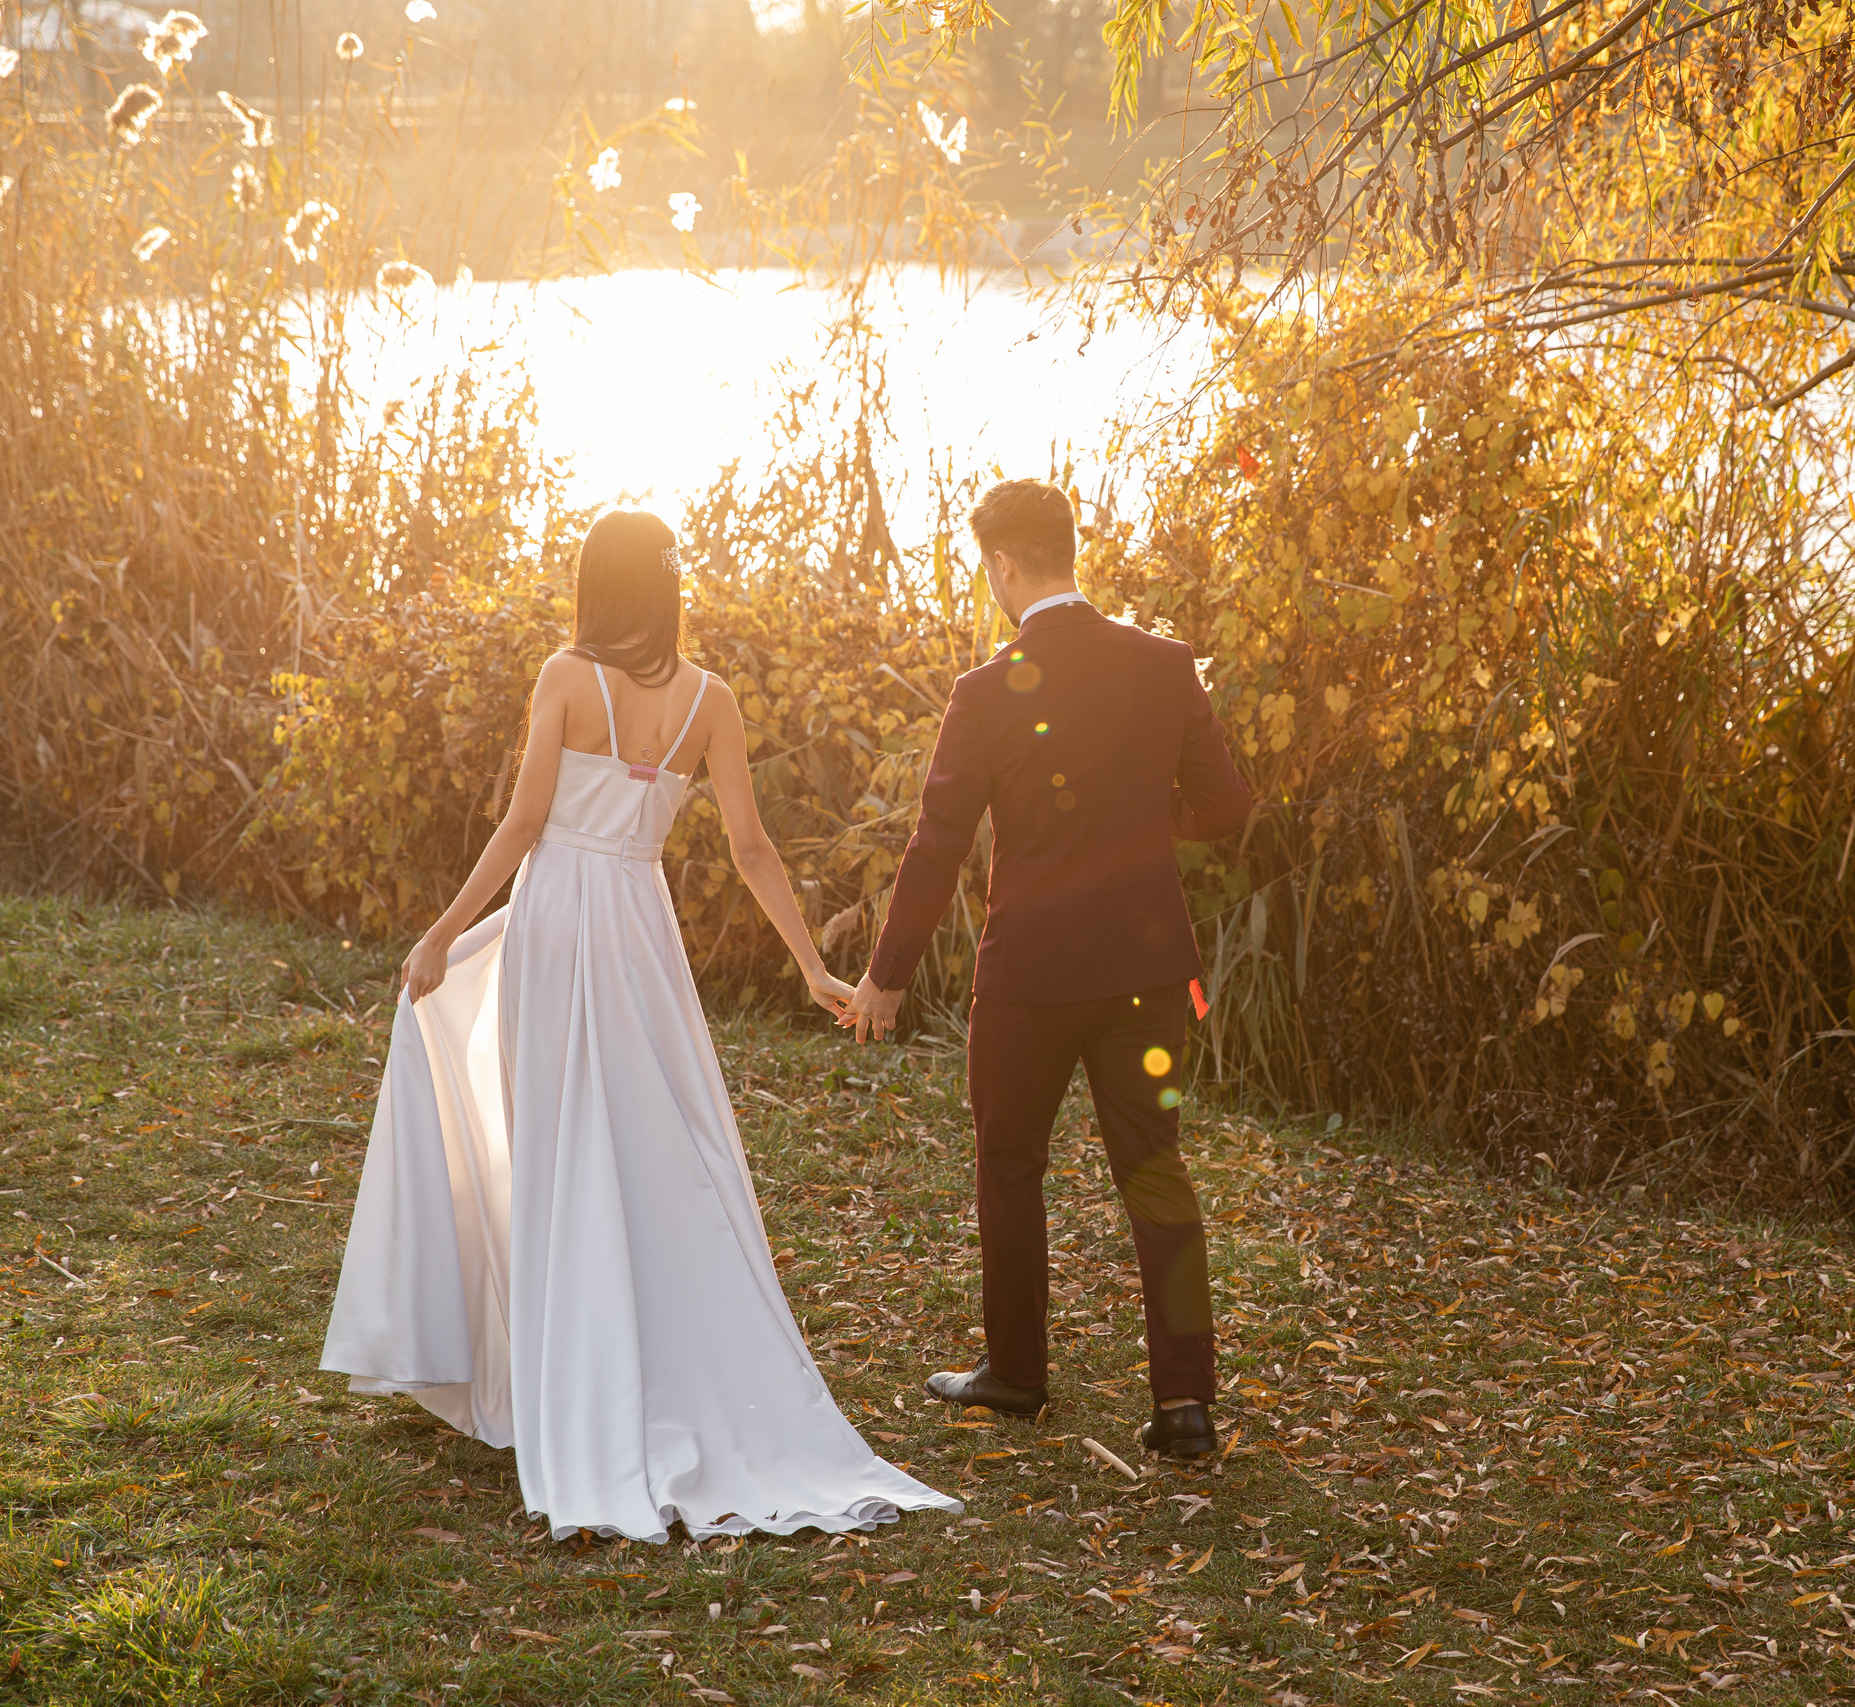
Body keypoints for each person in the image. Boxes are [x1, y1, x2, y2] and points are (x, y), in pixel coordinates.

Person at [321, 508, 959, 1541]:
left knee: (559, 1142)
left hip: (560, 917)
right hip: (640, 930)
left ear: (595, 587)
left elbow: (526, 824)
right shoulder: (712, 698)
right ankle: (632, 1355)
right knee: (648, 1136)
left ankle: (567, 1379)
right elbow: (752, 847)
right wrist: (808, 965)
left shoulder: (566, 676)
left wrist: (443, 931)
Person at [842, 478, 1253, 1460]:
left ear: (1005, 567)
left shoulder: (983, 694)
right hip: (1148, 975)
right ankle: (1186, 1405)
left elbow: (936, 844)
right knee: (1157, 1173)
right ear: (1070, 552)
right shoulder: (1165, 666)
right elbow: (1228, 805)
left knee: (1010, 1167)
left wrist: (886, 976)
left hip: (1026, 978)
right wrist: (1142, 828)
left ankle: (1018, 1374)